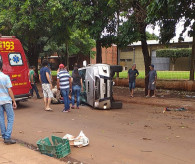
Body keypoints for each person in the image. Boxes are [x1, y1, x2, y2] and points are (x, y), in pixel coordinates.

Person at [0, 61, 17, 144]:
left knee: (1, 118)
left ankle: (4, 136)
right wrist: (14, 101)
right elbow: (9, 90)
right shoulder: (5, 77)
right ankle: (7, 137)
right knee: (11, 117)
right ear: (1, 67)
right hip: (6, 100)